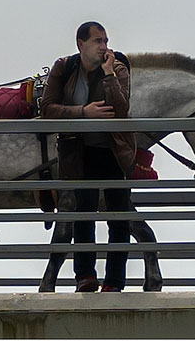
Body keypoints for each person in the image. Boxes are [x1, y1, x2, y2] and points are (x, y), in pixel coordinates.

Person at [38, 20, 136, 292]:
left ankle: (114, 282)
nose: (103, 47)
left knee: (119, 218)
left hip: (114, 151)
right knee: (84, 213)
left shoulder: (117, 67)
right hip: (80, 152)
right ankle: (85, 276)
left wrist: (108, 76)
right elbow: (47, 108)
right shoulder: (65, 68)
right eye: (97, 41)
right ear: (80, 44)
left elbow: (121, 108)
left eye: (105, 40)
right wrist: (82, 112)